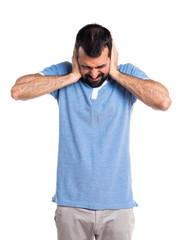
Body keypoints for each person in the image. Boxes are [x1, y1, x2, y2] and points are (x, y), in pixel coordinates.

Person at [11, 23, 171, 240]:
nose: (94, 74)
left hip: (118, 205)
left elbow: (162, 101)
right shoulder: (63, 72)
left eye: (101, 66)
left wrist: (114, 72)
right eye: (87, 66)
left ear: (112, 55)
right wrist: (72, 76)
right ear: (76, 55)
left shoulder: (127, 74)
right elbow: (18, 91)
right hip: (71, 205)